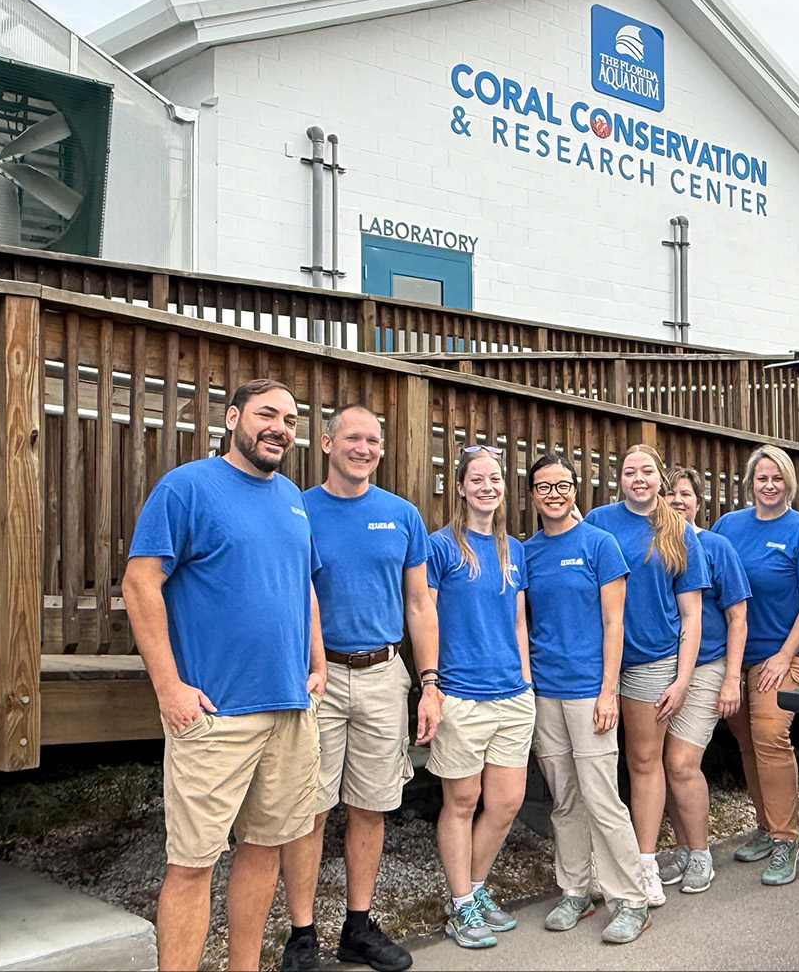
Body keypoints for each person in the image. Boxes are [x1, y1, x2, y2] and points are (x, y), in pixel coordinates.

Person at [124, 379, 326, 972]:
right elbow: (140, 583)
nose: (280, 428)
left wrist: (315, 662)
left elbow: (304, 584)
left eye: (290, 420)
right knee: (191, 865)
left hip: (289, 709)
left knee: (264, 851)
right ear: (234, 417)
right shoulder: (187, 488)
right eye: (267, 414)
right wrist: (169, 688)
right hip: (215, 714)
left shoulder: (292, 497)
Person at [278, 405, 429, 972]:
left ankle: (358, 928)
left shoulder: (401, 514)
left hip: (384, 674)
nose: (363, 448)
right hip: (316, 677)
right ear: (325, 443)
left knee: (371, 806)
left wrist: (429, 684)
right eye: (352, 438)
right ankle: (301, 936)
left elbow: (419, 603)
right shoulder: (296, 509)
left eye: (373, 440)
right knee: (308, 809)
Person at [521, 454, 653, 944]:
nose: (553, 494)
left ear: (577, 490)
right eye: (543, 487)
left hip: (589, 692)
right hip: (545, 691)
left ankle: (630, 900)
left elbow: (615, 623)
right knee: (564, 798)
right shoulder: (527, 552)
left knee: (602, 797)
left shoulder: (600, 545)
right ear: (532, 494)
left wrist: (609, 691)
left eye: (563, 485)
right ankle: (576, 891)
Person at [581, 444, 709, 907]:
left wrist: (682, 678)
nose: (639, 478)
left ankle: (645, 862)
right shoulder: (598, 521)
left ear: (660, 477)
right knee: (595, 766)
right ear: (619, 479)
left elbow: (692, 616)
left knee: (642, 762)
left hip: (651, 662)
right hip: (595, 661)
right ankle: (596, 864)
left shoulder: (678, 530)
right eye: (629, 471)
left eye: (647, 471)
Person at [426, 445, 536, 950]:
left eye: (495, 478)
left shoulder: (514, 549)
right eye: (477, 478)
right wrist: (431, 685)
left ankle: (473, 888)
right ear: (461, 486)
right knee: (463, 801)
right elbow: (423, 616)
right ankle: (460, 903)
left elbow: (517, 621)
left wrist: (527, 681)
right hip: (462, 695)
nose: (488, 486)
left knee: (508, 802)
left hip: (513, 695)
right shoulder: (441, 546)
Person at [713, 445, 799, 886]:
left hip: (781, 657)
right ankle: (764, 826)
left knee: (770, 735)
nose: (768, 485)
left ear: (788, 483)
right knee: (746, 742)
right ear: (750, 483)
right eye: (761, 478)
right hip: (733, 658)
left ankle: (786, 839)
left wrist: (784, 656)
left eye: (776, 478)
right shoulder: (728, 526)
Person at [655, 467, 750, 894]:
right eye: (670, 493)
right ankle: (679, 846)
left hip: (707, 667)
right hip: (661, 670)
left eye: (685, 494)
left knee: (680, 763)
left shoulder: (716, 546)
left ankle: (700, 853)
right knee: (660, 765)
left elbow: (738, 617)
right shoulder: (654, 544)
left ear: (699, 501)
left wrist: (732, 679)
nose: (677, 500)